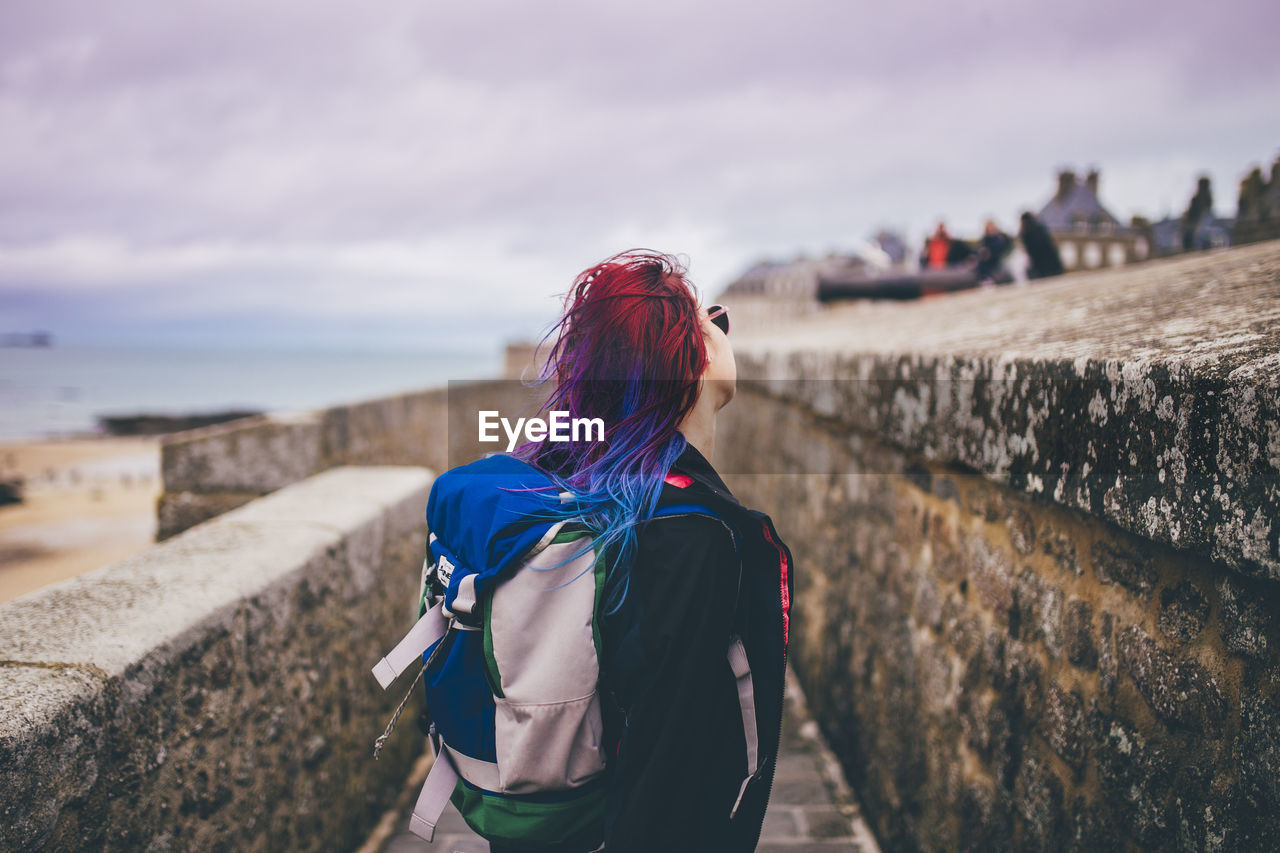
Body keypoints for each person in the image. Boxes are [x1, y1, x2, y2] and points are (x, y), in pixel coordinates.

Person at [508, 250, 795, 852]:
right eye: (711, 319)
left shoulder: (575, 482)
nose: (722, 328)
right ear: (689, 360)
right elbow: (670, 775)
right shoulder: (691, 538)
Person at [1019, 211, 1063, 279]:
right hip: (1053, 265)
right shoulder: (1040, 228)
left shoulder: (1027, 233)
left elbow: (1033, 252)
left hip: (1044, 268)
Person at [975, 219, 1012, 284]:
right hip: (987, 259)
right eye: (988, 228)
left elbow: (1001, 248)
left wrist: (990, 252)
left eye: (991, 227)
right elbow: (982, 248)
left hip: (996, 258)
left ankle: (986, 278)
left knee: (984, 262)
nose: (990, 229)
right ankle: (985, 278)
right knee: (982, 261)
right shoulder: (985, 239)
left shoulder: (999, 238)